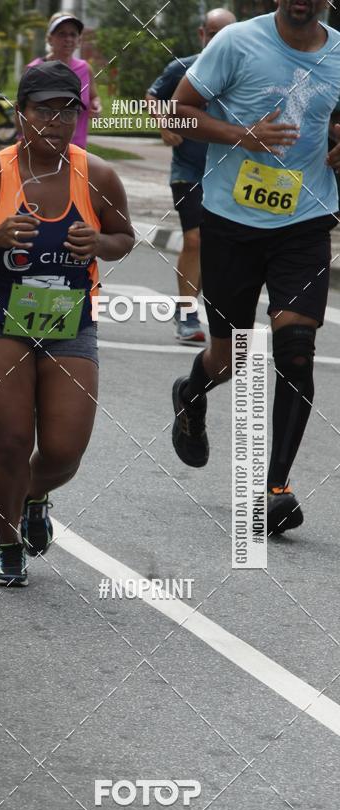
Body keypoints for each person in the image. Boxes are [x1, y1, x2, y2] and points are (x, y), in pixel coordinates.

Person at [0, 61, 134, 586]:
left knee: (65, 452)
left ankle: (32, 496)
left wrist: (102, 244)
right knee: (11, 440)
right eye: (45, 108)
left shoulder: (98, 176)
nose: (57, 120)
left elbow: (123, 237)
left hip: (71, 325)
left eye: (69, 110)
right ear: (21, 114)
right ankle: (7, 545)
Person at [169, 0, 340, 534]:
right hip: (230, 223)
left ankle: (275, 489)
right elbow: (178, 111)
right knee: (231, 356)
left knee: (295, 349)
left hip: (305, 220)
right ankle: (191, 394)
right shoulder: (236, 42)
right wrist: (243, 135)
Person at [146, 8, 236, 344]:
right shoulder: (182, 67)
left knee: (213, 246)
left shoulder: (242, 71)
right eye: (212, 33)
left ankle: (189, 303)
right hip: (187, 170)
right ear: (202, 34)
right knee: (195, 238)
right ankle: (187, 315)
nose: (217, 40)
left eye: (224, 33)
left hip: (227, 171)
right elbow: (152, 97)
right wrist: (163, 124)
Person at [26, 11, 101, 149]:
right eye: (62, 34)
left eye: (73, 34)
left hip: (76, 150)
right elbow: (22, 111)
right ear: (49, 39)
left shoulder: (85, 69)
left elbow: (94, 97)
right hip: (39, 151)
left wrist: (96, 106)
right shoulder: (35, 69)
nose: (68, 39)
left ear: (79, 40)